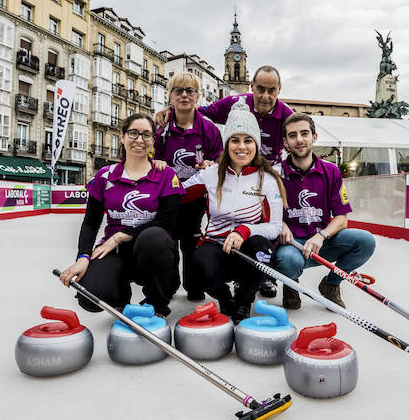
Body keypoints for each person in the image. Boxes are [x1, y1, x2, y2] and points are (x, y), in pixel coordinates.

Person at [156, 65, 293, 298]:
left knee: (263, 232)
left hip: (263, 170)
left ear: (279, 90)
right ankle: (208, 273)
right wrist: (172, 108)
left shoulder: (287, 114)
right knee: (209, 228)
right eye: (260, 89)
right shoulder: (233, 101)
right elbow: (199, 111)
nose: (266, 96)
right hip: (225, 176)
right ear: (252, 86)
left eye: (272, 90)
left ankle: (264, 276)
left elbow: (299, 137)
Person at [58, 113, 184, 317]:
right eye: (133, 133)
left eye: (146, 135)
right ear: (123, 136)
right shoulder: (104, 175)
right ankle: (120, 295)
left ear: (153, 140)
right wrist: (83, 257)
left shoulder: (166, 174)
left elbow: (167, 222)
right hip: (115, 251)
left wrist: (120, 235)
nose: (140, 140)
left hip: (153, 251)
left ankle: (156, 304)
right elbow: (91, 222)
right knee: (90, 297)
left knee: (155, 235)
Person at [181, 98, 287, 323]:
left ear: (256, 144)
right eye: (235, 140)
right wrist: (155, 172)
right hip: (216, 245)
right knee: (197, 266)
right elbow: (176, 195)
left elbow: (275, 228)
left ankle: (244, 301)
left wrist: (244, 231)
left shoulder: (268, 180)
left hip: (247, 248)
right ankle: (224, 298)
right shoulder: (211, 174)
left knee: (262, 248)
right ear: (227, 144)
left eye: (248, 140)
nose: (241, 147)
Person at [273, 112, 376, 310]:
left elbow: (341, 218)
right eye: (293, 135)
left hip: (321, 242)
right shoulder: (276, 173)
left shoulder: (331, 171)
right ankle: (291, 284)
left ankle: (331, 284)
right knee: (287, 261)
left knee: (365, 241)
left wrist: (321, 236)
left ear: (314, 137)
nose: (299, 140)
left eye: (304, 133)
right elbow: (266, 211)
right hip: (292, 245)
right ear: (286, 142)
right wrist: (281, 224)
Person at [152, 72, 223, 301]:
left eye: (190, 91)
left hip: (194, 197)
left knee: (191, 242)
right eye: (178, 91)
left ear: (198, 96)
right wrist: (156, 162)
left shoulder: (209, 129)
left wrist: (212, 164)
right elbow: (148, 159)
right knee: (168, 242)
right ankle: (170, 286)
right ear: (170, 96)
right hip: (166, 198)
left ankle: (194, 286)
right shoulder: (160, 128)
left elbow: (220, 161)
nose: (184, 95)